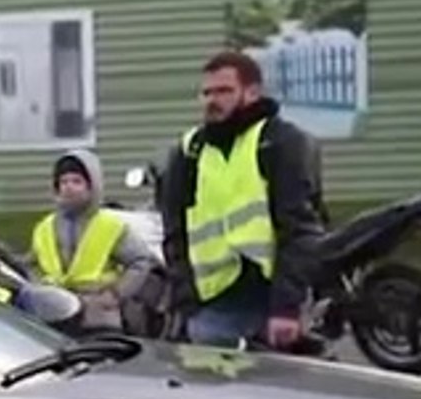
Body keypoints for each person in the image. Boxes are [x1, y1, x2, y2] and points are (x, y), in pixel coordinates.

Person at [159, 50, 325, 349]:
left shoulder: (279, 142)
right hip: (215, 302)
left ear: (252, 92)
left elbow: (300, 229)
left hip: (272, 295)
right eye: (206, 92)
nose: (212, 100)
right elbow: (174, 233)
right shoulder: (189, 151)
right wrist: (186, 302)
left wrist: (286, 307)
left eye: (223, 91)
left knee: (285, 385)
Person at [30, 149, 160, 332]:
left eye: (77, 181)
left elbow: (140, 261)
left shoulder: (110, 225)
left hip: (98, 316)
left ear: (92, 187)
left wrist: (116, 294)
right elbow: (33, 264)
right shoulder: (44, 227)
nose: (68, 187)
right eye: (63, 182)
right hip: (55, 315)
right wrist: (40, 287)